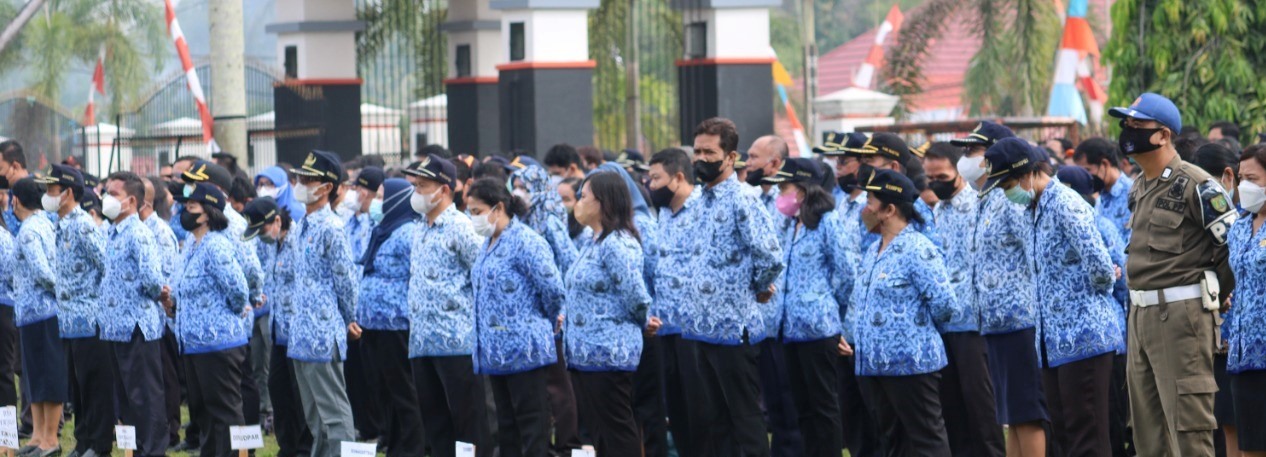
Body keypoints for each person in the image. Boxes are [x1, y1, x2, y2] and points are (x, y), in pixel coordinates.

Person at [1111, 93, 1235, 457]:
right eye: (1126, 124)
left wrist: (1209, 294)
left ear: (1163, 135)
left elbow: (1232, 249)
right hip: (1140, 317)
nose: (1127, 132)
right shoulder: (1140, 186)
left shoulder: (1196, 184)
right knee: (1148, 435)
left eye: (1137, 125)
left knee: (1188, 433)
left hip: (1182, 318)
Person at [986, 137, 1124, 456]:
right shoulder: (1033, 209)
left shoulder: (1065, 203)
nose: (1007, 192)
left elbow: (1102, 267)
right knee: (1063, 434)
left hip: (1084, 337)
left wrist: (1086, 293)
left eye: (1008, 183)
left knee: (1086, 436)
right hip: (1053, 344)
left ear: (1028, 173)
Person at [946, 121, 1048, 457]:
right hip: (993, 323)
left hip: (1020, 320)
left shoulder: (1011, 198)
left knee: (1027, 415)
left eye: (973, 151)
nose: (966, 158)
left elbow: (1035, 255)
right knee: (1012, 417)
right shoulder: (984, 197)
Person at [685, 117, 784, 456]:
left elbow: (770, 256)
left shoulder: (743, 199)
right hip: (701, 325)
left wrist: (755, 287)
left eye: (709, 152)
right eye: (697, 151)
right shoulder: (699, 199)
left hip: (733, 325)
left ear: (730, 157)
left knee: (744, 417)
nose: (701, 158)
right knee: (715, 419)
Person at [848, 168, 960, 456]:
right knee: (893, 442)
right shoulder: (874, 249)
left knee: (926, 440)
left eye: (871, 202)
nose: (866, 209)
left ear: (889, 209)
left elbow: (945, 305)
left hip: (912, 364)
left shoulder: (918, 249)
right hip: (874, 363)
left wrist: (912, 332)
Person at [756, 158, 850, 457]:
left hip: (818, 328)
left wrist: (828, 307)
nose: (781, 194)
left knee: (823, 407)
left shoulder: (827, 221)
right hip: (788, 328)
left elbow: (846, 273)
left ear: (805, 189)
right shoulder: (786, 224)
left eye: (785, 187)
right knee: (802, 408)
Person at [467, 177, 565, 457]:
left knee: (531, 425)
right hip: (494, 352)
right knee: (505, 425)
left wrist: (540, 320)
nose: (473, 218)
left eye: (477, 211)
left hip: (524, 348)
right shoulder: (487, 243)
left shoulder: (526, 241)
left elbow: (552, 289)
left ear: (498, 208)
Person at [920, 143, 1007, 457]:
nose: (935, 183)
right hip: (944, 324)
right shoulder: (936, 211)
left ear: (958, 171)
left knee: (981, 407)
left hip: (973, 323)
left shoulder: (977, 206)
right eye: (929, 178)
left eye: (941, 176)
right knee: (951, 408)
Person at [405, 157, 492, 456]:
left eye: (422, 185)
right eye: (414, 185)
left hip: (456, 342)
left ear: (444, 190)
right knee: (435, 422)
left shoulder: (462, 228)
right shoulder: (419, 228)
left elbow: (482, 279)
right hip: (422, 342)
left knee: (467, 423)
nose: (415, 192)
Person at [564, 171, 653, 457]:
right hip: (586, 353)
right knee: (601, 431)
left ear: (602, 202)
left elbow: (636, 296)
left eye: (584, 196)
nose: (579, 202)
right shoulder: (594, 241)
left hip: (608, 353)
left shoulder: (617, 243)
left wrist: (644, 321)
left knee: (616, 430)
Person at [162, 183, 250, 457]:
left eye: (191, 207)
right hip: (193, 343)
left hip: (218, 343)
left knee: (224, 411)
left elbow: (238, 290)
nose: (184, 212)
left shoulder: (216, 247)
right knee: (204, 413)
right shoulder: (192, 245)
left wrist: (226, 317)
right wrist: (173, 305)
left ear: (208, 213)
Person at [287, 150, 360, 457]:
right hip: (301, 330)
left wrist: (350, 318)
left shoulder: (332, 227)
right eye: (299, 178)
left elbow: (346, 279)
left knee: (332, 409)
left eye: (307, 180)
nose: (300, 184)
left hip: (321, 330)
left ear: (326, 187)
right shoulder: (301, 224)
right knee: (314, 413)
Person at [38, 165, 114, 457]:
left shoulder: (83, 225)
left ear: (68, 193)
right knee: (78, 387)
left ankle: (99, 444)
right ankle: (83, 441)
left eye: (51, 191)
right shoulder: (61, 224)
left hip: (89, 319)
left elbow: (106, 264)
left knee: (95, 386)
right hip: (68, 321)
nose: (47, 196)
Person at [507, 161, 581, 453]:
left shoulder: (549, 219)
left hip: (555, 314)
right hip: (531, 315)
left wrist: (561, 306)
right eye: (515, 186)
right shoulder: (523, 220)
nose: (518, 192)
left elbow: (567, 260)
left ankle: (567, 444)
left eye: (524, 187)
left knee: (558, 386)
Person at [99, 171, 169, 457]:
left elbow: (152, 279)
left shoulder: (138, 233)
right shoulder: (113, 232)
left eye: (113, 194)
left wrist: (160, 292)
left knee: (145, 397)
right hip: (116, 327)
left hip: (137, 326)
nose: (106, 198)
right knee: (127, 397)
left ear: (130, 201)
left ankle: (152, 451)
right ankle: (135, 450)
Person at [645, 148, 709, 457]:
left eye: (656, 178)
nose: (650, 185)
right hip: (665, 327)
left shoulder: (703, 209)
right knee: (678, 411)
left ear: (679, 177)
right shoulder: (664, 214)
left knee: (701, 411)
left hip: (694, 328)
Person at [354, 177, 425, 457]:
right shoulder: (383, 229)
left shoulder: (408, 232)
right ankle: (394, 444)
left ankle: (411, 448)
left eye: (382, 196)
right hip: (373, 324)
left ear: (396, 200)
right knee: (382, 389)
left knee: (403, 391)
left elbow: (417, 275)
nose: (375, 201)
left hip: (396, 324)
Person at [248, 198, 314, 457]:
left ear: (277, 221)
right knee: (279, 390)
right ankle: (287, 447)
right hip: (278, 330)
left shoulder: (298, 242)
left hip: (298, 331)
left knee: (301, 396)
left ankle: (304, 449)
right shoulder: (275, 244)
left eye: (262, 229)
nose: (261, 237)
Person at [1191, 141, 1244, 456]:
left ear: (1228, 176)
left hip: (1243, 342)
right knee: (1223, 421)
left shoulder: (1245, 221)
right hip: (1216, 339)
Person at [9, 177, 64, 457]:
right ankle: (38, 435)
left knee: (47, 376)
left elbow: (43, 272)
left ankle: (50, 439)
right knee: (36, 378)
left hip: (41, 313)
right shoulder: (45, 222)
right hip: (34, 314)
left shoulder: (29, 230)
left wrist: (59, 293)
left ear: (15, 200)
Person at [1225, 143, 1266, 456]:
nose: (1244, 187)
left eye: (1253, 178)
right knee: (1250, 445)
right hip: (1243, 352)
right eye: (1241, 179)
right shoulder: (1238, 227)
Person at [1074, 138, 1133, 243]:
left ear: (1105, 164)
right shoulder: (1097, 196)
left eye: (1087, 170)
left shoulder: (1133, 193)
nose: (1084, 177)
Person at [0, 140, 31, 234]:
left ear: (15, 166)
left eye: (0, 169)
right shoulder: (9, 193)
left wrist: (4, 210)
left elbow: (17, 234)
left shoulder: (35, 192)